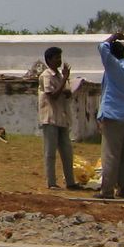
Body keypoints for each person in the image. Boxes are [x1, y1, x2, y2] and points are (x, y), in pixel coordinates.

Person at [97, 32, 124, 199]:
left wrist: (113, 37)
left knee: (111, 154)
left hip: (113, 114)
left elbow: (102, 47)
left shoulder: (113, 66)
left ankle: (107, 190)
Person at [38, 46, 79, 190]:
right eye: (56, 58)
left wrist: (67, 87)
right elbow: (53, 95)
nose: (59, 61)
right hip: (50, 118)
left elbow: (64, 92)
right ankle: (51, 182)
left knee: (67, 152)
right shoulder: (46, 75)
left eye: (60, 57)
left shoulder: (60, 76)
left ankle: (70, 181)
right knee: (50, 152)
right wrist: (65, 79)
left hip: (61, 117)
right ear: (49, 60)